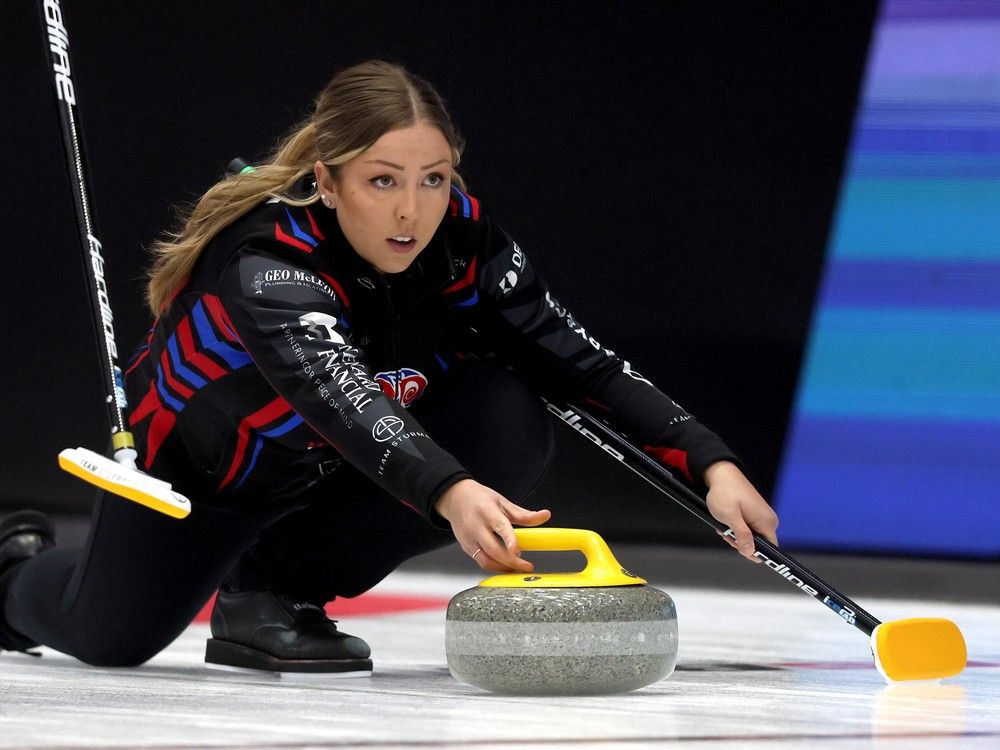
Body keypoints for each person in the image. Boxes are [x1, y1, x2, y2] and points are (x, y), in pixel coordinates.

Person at [0, 60, 778, 674]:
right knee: (107, 638)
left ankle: (273, 592)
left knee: (507, 414)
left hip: (329, 479)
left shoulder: (462, 243)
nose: (412, 211)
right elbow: (342, 398)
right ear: (328, 180)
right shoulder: (269, 258)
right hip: (198, 482)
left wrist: (710, 462)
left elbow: (580, 364)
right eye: (383, 181)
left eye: (432, 179)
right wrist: (451, 491)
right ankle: (10, 567)